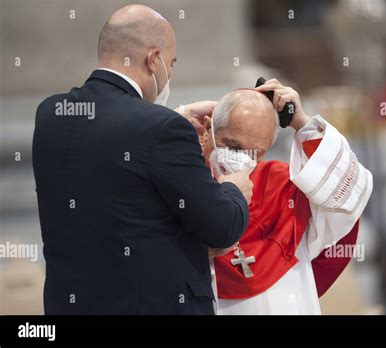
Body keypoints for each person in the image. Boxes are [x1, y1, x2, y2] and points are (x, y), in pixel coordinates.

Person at [32, 4, 252, 315]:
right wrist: (233, 189)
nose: (170, 73)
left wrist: (173, 120)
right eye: (171, 63)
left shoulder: (51, 114)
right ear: (153, 60)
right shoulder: (161, 129)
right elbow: (221, 227)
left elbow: (111, 157)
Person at [201, 81, 373, 314]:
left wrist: (303, 124)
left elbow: (346, 199)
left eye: (255, 153)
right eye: (231, 145)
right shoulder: (185, 185)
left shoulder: (282, 184)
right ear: (207, 130)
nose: (240, 160)